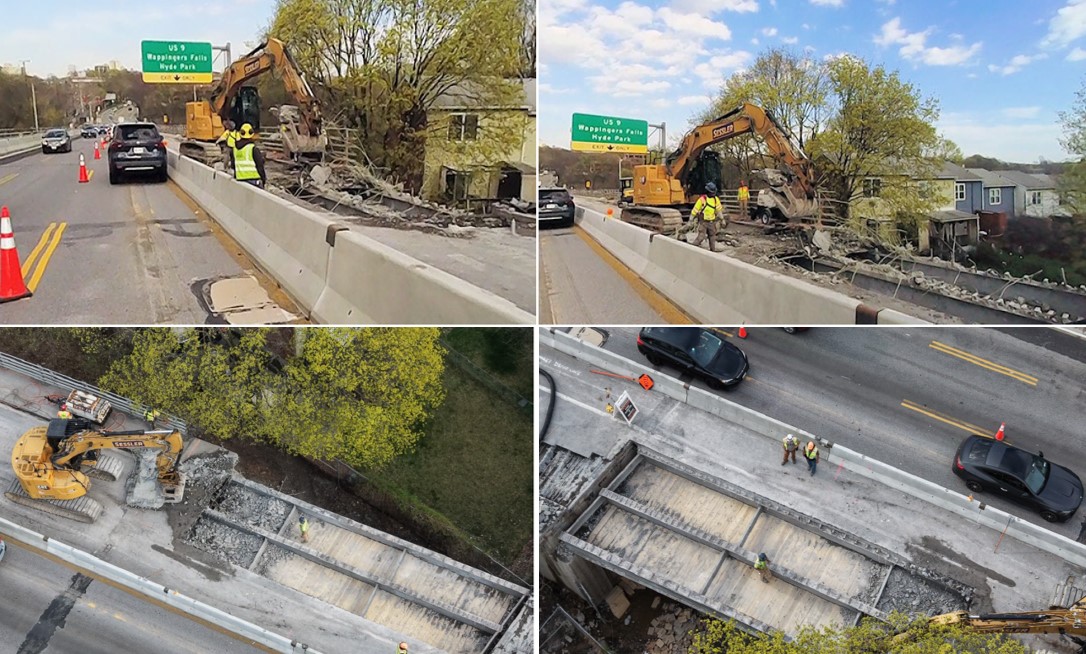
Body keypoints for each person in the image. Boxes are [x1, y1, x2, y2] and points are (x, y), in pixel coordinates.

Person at [232, 123, 267, 188]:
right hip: (253, 180)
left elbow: (233, 165)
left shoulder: (235, 149)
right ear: (251, 133)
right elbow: (260, 166)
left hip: (240, 179)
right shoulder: (253, 148)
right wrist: (263, 179)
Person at [691, 182, 724, 252]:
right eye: (712, 192)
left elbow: (719, 211)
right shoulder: (702, 199)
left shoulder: (716, 200)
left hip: (711, 222)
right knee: (701, 237)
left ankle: (712, 252)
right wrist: (690, 220)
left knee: (712, 238)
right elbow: (695, 210)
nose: (713, 194)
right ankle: (691, 249)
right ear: (708, 192)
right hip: (703, 222)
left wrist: (722, 219)